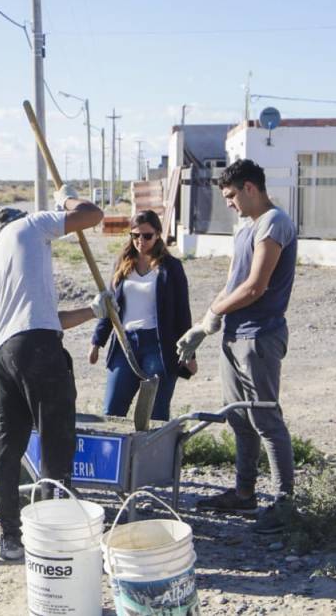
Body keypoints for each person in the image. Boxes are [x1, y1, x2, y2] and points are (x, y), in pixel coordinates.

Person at [0, 185, 111, 561]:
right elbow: (93, 214)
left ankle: (11, 537)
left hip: (4, 355)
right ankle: (58, 533)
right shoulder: (32, 227)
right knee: (57, 439)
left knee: (9, 446)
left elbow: (44, 319)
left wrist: (92, 311)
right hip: (37, 350)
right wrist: (67, 199)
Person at [176, 158, 298, 533]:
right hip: (235, 333)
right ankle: (244, 494)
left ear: (250, 188)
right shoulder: (245, 228)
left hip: (259, 334)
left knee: (265, 417)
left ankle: (284, 503)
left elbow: (255, 287)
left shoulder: (274, 223)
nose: (229, 203)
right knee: (238, 418)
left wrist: (212, 314)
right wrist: (204, 324)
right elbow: (233, 284)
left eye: (231, 195)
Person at [89, 209, 196, 421]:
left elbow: (182, 313)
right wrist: (97, 342)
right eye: (135, 235)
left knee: (155, 414)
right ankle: (117, 453)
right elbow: (110, 305)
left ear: (157, 234)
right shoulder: (123, 263)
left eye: (147, 236)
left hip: (158, 345)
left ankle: (153, 453)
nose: (141, 241)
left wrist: (189, 354)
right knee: (111, 411)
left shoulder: (171, 268)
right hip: (124, 342)